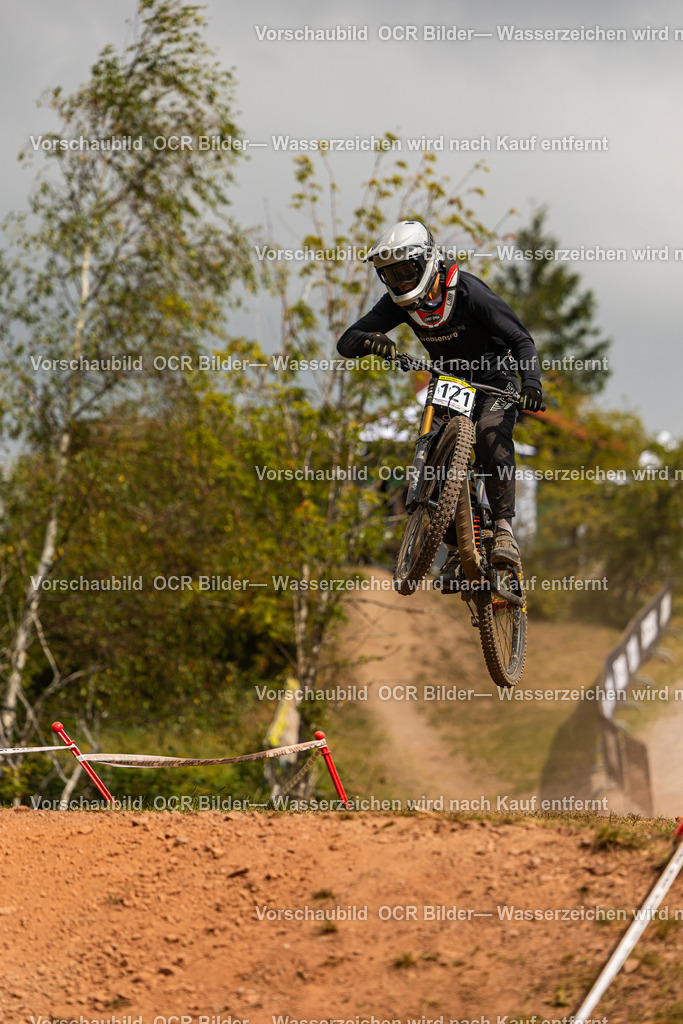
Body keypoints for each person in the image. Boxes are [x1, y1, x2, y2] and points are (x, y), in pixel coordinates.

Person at [337, 219, 543, 584]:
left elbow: (521, 339)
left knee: (490, 435)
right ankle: (455, 550)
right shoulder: (399, 305)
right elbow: (347, 341)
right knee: (438, 458)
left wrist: (532, 384)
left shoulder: (467, 291)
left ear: (426, 260)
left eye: (405, 270)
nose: (400, 281)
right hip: (449, 383)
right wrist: (372, 341)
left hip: (495, 382)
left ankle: (504, 532)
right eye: (390, 274)